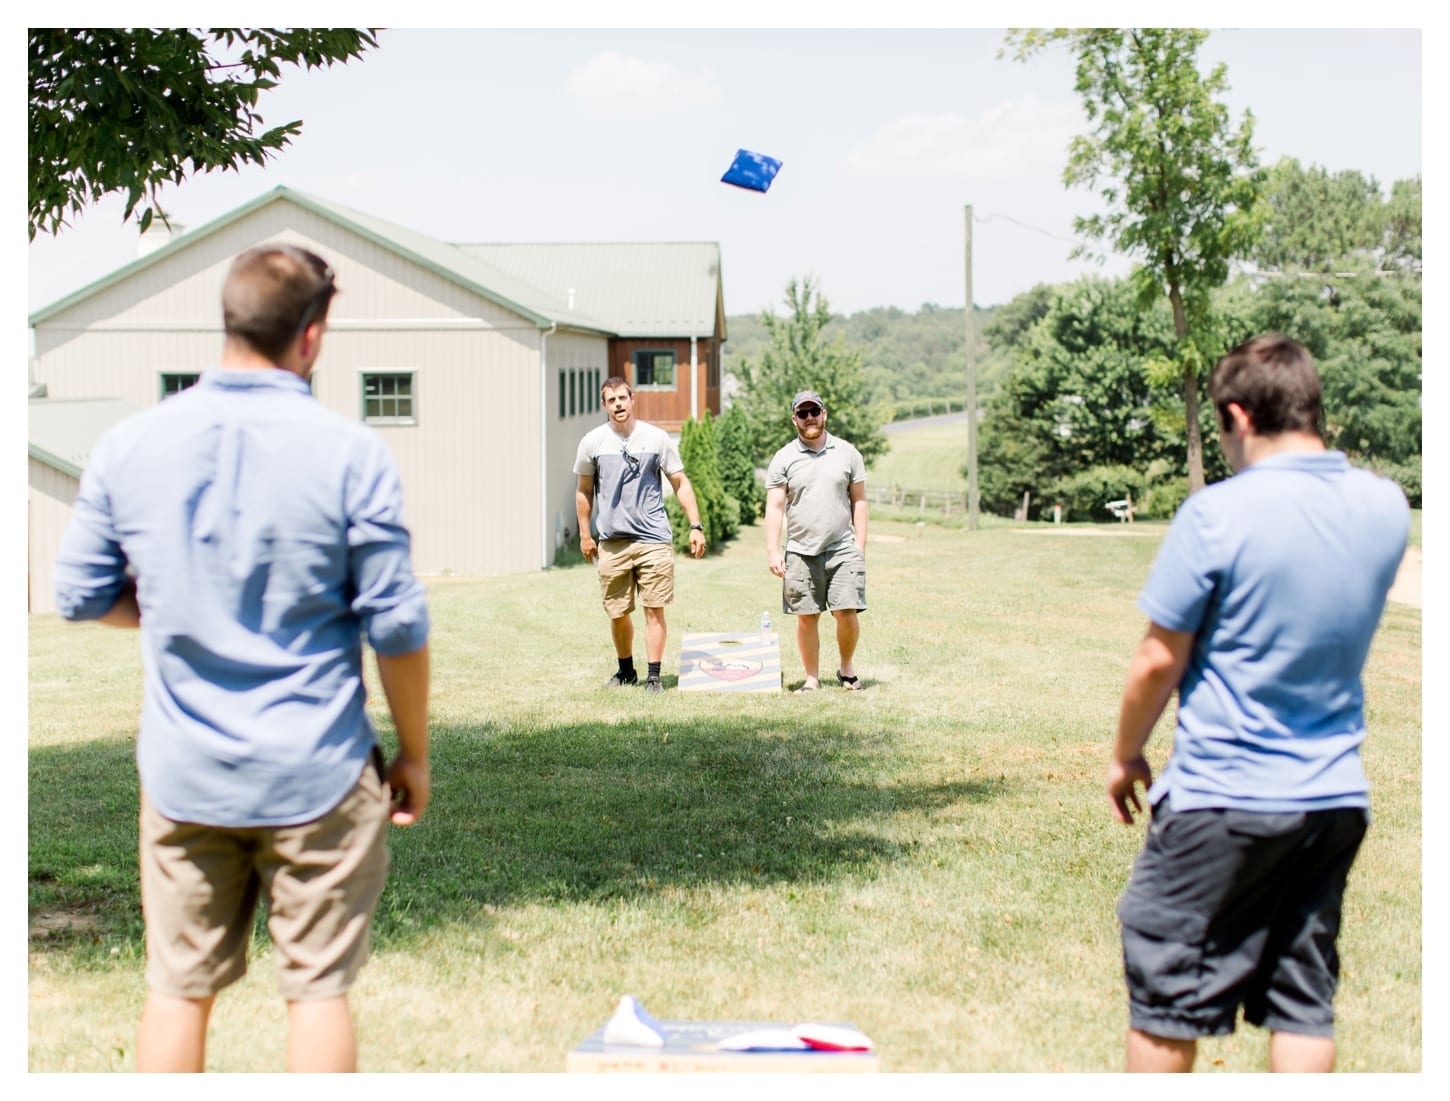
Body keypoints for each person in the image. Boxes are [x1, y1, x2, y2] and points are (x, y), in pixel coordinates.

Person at [52, 244, 432, 1073]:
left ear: (228, 319)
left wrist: (177, 605)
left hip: (186, 768)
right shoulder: (350, 452)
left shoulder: (129, 443)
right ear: (314, 335)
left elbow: (78, 592)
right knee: (318, 989)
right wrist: (414, 753)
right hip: (320, 770)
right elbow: (397, 624)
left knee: (178, 989)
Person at [1107, 334, 1409, 1073]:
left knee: (1166, 993)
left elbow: (1156, 659)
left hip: (1224, 794)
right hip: (1334, 799)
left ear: (1239, 415)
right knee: (1302, 998)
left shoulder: (1216, 514)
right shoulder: (1385, 507)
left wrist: (1124, 753)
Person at [575, 376, 706, 693]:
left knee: (654, 609)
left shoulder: (657, 438)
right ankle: (626, 671)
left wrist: (695, 525)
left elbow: (680, 482)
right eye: (611, 400)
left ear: (632, 399)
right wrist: (584, 534)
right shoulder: (593, 442)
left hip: (653, 539)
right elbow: (583, 492)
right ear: (604, 405)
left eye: (623, 397)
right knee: (617, 613)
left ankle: (654, 677)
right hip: (612, 542)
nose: (618, 404)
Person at [764, 389, 868, 692]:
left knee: (846, 612)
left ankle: (846, 669)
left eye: (814, 411)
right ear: (794, 418)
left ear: (824, 414)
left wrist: (859, 545)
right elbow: (774, 507)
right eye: (802, 413)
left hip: (843, 548)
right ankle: (812, 679)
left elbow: (859, 501)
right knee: (807, 618)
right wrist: (773, 550)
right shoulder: (784, 457)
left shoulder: (848, 453)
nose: (809, 418)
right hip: (799, 550)